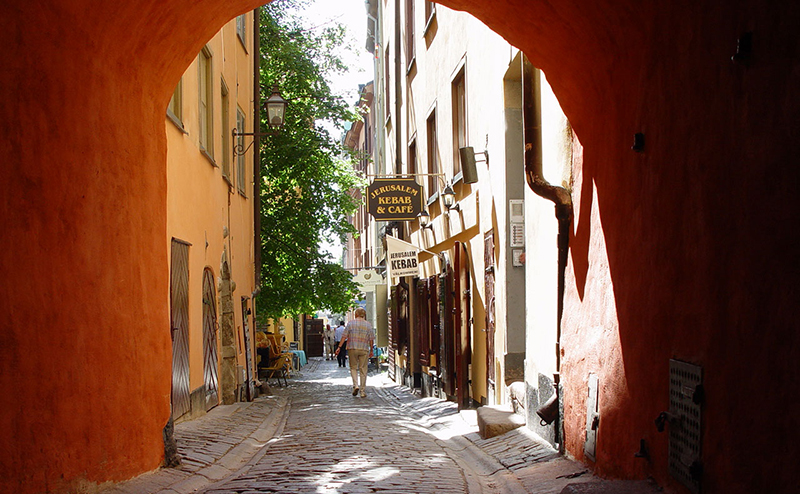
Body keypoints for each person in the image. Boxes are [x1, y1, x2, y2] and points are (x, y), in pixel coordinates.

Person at [335, 308, 375, 397]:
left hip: (352, 348)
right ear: (364, 315)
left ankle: (356, 385)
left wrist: (339, 347)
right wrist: (371, 349)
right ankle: (362, 391)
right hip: (364, 348)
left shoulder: (350, 324)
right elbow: (371, 339)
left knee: (353, 367)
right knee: (363, 369)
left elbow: (344, 336)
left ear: (356, 314)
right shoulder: (368, 325)